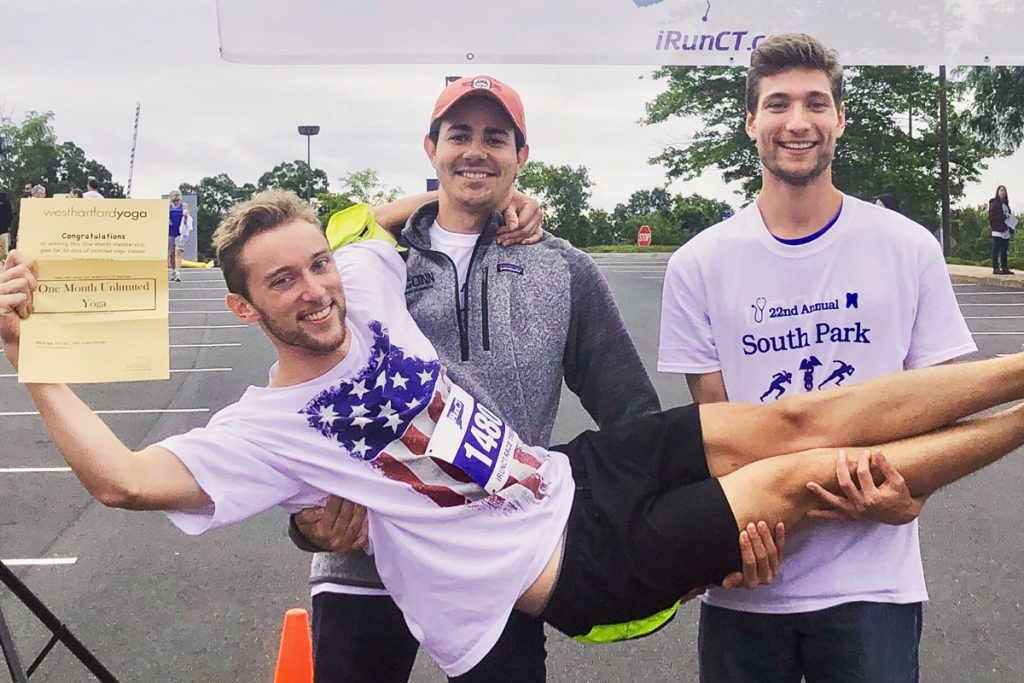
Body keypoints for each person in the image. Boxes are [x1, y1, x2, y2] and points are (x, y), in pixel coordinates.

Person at [4, 191, 1024, 680]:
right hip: (574, 563)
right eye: (282, 280)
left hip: (577, 471)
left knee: (797, 417)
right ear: (243, 309)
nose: (314, 289)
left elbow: (380, 219)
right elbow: (122, 480)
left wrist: (491, 207)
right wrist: (34, 345)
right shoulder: (264, 427)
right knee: (809, 475)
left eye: (313, 262)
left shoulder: (360, 275)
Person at [291, 75, 670, 683]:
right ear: (430, 148)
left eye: (496, 138)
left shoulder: (562, 268)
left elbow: (630, 409)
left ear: (521, 156)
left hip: (497, 557)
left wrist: (662, 518)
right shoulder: (371, 265)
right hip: (366, 561)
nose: (475, 150)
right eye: (458, 134)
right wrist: (307, 519)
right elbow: (308, 389)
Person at [658, 33, 978, 683]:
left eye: (815, 103)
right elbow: (720, 433)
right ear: (751, 122)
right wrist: (730, 532)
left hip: (874, 586)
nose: (797, 121)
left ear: (840, 118)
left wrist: (911, 494)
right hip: (748, 581)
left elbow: (941, 408)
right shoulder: (698, 264)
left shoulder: (906, 248)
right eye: (777, 104)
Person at [168, 191, 193, 282]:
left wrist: (186, 216)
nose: (176, 201)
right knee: (171, 253)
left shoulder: (184, 206)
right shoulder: (168, 207)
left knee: (178, 251)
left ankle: (178, 272)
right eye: (174, 199)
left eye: (177, 199)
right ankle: (174, 270)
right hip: (170, 232)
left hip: (180, 232)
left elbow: (188, 219)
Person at [989, 185, 1014, 275]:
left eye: (1004, 191)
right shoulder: (994, 203)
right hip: (998, 230)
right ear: (998, 192)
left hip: (1006, 230)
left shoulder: (1006, 204)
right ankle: (995, 267)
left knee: (1004, 250)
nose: (1003, 192)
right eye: (1001, 190)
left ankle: (1004, 267)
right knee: (996, 250)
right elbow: (992, 217)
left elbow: (1009, 216)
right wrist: (1003, 217)